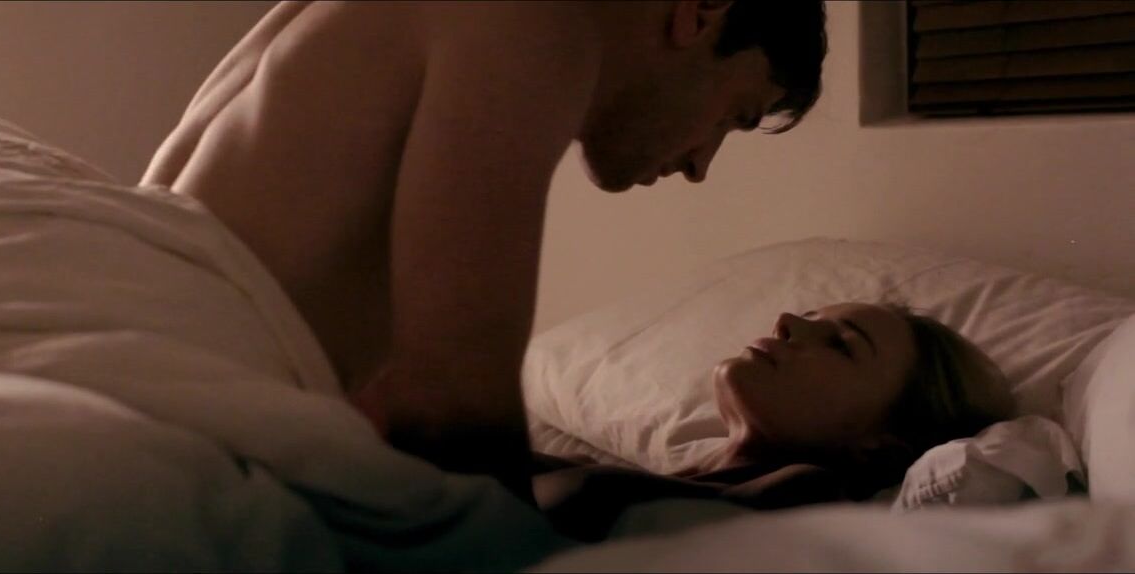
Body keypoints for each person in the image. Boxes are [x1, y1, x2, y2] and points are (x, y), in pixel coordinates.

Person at [141, 1, 828, 497]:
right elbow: (453, 418)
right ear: (701, 11)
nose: (702, 164)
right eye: (733, 117)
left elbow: (394, 416)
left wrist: (676, 490)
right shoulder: (538, 27)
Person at [532, 301, 1018, 541]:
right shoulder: (677, 484)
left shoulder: (802, 496)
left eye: (840, 344)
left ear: (881, 444)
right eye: (809, 316)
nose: (787, 321)